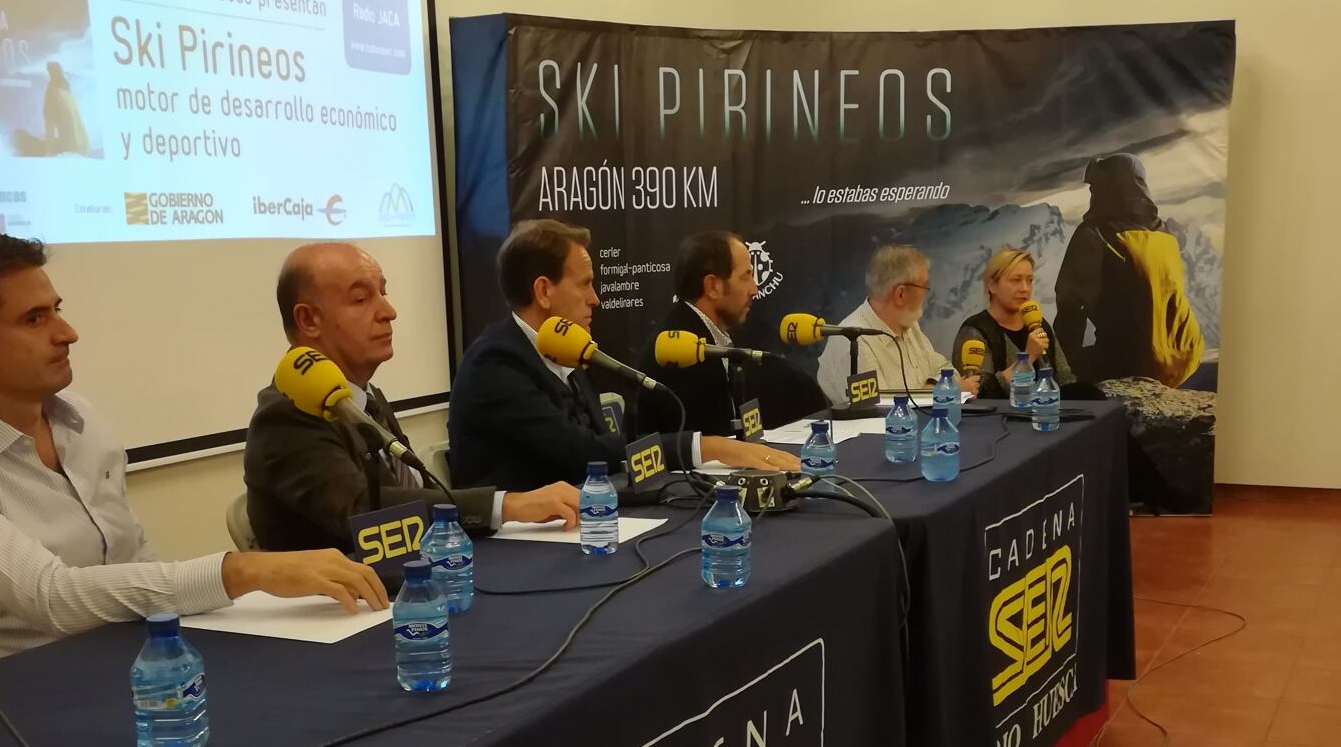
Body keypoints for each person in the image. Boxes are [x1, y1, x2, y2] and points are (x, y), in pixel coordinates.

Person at [0, 232, 386, 663]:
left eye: (57, 310)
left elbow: (134, 560)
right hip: (15, 702)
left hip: (123, 665)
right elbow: (49, 597)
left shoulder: (79, 421)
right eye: (34, 319)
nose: (67, 333)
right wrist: (243, 570)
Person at [245, 241, 580, 547]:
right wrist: (506, 505)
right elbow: (364, 511)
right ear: (308, 320)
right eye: (361, 299)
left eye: (383, 292)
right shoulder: (287, 415)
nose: (388, 311)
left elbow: (417, 493)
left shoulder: (365, 398)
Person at [448, 220, 799, 491]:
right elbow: (580, 453)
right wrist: (705, 447)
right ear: (543, 291)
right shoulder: (495, 363)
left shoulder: (568, 349)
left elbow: (607, 449)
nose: (595, 299)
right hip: (512, 548)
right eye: (584, 283)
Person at [1054, 152, 1204, 386]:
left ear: (1108, 188)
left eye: (1095, 188)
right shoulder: (1164, 232)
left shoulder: (1095, 234)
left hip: (1126, 363)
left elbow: (1071, 309)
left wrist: (1061, 372)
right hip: (1183, 357)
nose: (1092, 195)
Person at [818, 244, 980, 403]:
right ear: (901, 294)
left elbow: (946, 369)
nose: (926, 293)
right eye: (924, 286)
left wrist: (931, 387)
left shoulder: (909, 324)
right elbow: (879, 410)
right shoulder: (855, 343)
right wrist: (943, 392)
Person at [636, 231, 759, 438]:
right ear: (712, 287)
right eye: (746, 276)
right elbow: (710, 443)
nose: (754, 289)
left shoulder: (703, 333)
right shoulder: (684, 353)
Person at [952, 247, 1076, 398]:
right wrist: (1028, 357)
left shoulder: (1039, 324)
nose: (1025, 288)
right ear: (992, 286)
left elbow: (1064, 377)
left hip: (1045, 409)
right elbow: (980, 392)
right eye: (1016, 280)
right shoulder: (975, 330)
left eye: (1029, 281)